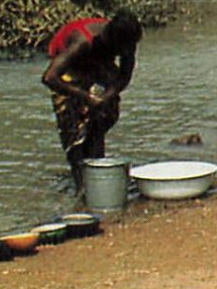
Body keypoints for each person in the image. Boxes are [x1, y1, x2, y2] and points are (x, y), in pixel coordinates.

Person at [41, 13, 142, 193]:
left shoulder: (127, 41)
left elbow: (124, 76)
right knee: (73, 128)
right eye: (120, 49)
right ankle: (81, 186)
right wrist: (84, 96)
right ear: (110, 40)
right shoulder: (82, 41)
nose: (124, 53)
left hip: (96, 61)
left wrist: (105, 98)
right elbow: (50, 77)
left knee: (104, 116)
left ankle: (97, 171)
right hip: (69, 68)